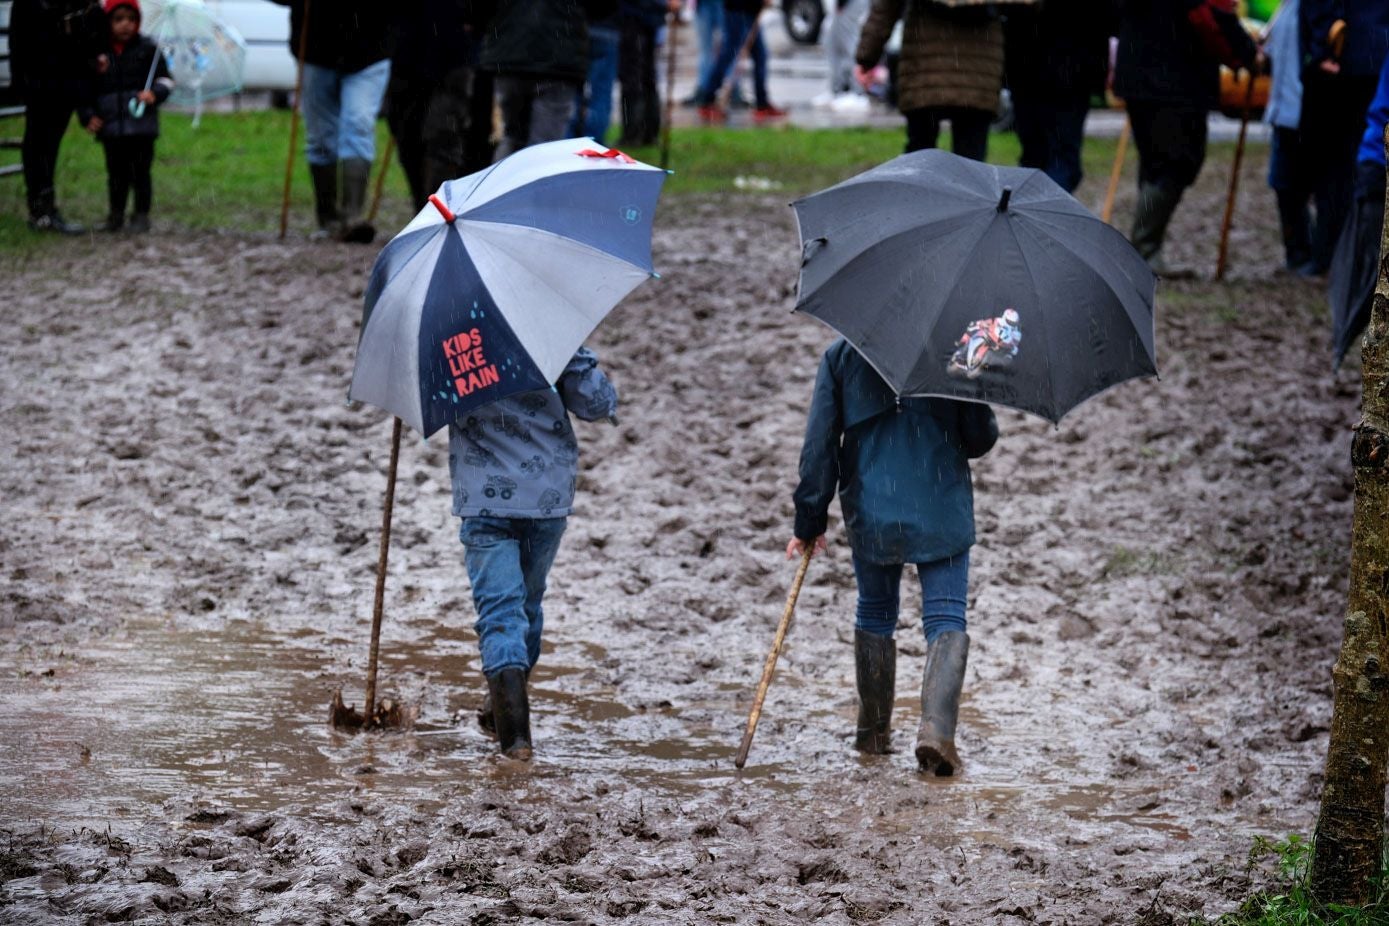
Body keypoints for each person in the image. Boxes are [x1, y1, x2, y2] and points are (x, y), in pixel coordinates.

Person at [788, 338, 998, 775]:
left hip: (873, 505)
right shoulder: (959, 353)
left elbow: (819, 445)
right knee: (946, 616)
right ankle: (937, 732)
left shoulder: (842, 356)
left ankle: (873, 735)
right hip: (941, 504)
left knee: (876, 611)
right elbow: (979, 439)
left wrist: (809, 520)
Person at [452, 348, 618, 761]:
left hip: (483, 499)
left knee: (500, 613)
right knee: (525, 604)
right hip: (546, 497)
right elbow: (597, 405)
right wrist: (579, 358)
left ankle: (514, 740)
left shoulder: (445, 338)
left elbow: (424, 405)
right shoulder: (548, 329)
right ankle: (507, 716)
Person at [1114, 0, 1259, 275]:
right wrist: (1246, 52)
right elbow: (1210, 15)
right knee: (1175, 163)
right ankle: (1144, 249)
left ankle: (1145, 248)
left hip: (1140, 72)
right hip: (1176, 79)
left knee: (1157, 163)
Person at [271, 0, 392, 243]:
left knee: (358, 124)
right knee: (321, 137)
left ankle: (353, 216)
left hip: (371, 48)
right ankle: (328, 219)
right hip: (317, 48)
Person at [1297, 0, 1389, 275]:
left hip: (1344, 58)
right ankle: (1353, 253)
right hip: (1372, 53)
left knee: (1335, 166)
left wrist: (1325, 43)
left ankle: (1335, 252)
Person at [854, 0, 1004, 160]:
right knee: (971, 161)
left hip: (924, 68)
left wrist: (867, 56)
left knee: (919, 157)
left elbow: (886, 8)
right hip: (979, 68)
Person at [10, 0, 107, 234]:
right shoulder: (31, 5)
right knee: (37, 143)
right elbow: (19, 42)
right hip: (40, 77)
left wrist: (95, 55)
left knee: (49, 143)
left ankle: (46, 207)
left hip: (65, 77)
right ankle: (40, 209)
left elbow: (90, 30)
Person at [77, 0, 173, 234]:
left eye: (131, 20)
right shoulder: (98, 53)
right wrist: (87, 115)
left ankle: (141, 214)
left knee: (141, 173)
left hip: (142, 126)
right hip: (112, 127)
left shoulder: (148, 49)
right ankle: (115, 214)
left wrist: (155, 94)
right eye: (118, 19)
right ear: (108, 22)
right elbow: (86, 88)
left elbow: (166, 79)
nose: (125, 25)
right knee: (116, 174)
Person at [386, 1, 494, 210]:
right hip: (408, 55)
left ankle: (436, 210)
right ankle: (423, 205)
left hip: (454, 56)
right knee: (407, 136)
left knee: (444, 137)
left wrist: (476, 22)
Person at [479, 0, 618, 160]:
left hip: (511, 53)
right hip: (557, 56)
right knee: (545, 145)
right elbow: (603, 8)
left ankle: (503, 182)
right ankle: (538, 179)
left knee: (512, 136)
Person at [1003, 0, 1113, 193]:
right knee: (1058, 160)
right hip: (1068, 71)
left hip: (1029, 68)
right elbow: (1107, 17)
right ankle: (1043, 214)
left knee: (1036, 158)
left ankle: (1033, 212)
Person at [1264, 0, 1317, 275]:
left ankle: (1318, 253)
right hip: (1282, 113)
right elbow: (1273, 53)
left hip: (1307, 111)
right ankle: (1297, 253)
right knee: (1284, 185)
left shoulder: (1317, 8)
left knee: (1312, 186)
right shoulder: (1284, 8)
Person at [691, 0, 787, 124]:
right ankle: (707, 99)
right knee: (728, 54)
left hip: (750, 11)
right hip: (738, 10)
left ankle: (761, 103)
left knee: (760, 56)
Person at [617, 0, 675, 146]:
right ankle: (647, 132)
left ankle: (634, 133)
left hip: (635, 16)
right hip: (648, 17)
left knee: (634, 76)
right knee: (645, 76)